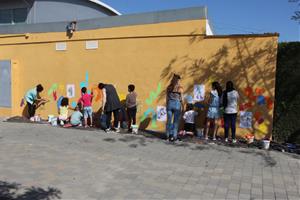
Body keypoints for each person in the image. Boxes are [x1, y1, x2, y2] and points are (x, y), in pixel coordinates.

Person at [166, 74, 183, 142]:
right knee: (176, 122)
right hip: (177, 104)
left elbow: (167, 97)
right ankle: (174, 136)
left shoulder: (169, 87)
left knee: (169, 121)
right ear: (178, 80)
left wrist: (167, 104)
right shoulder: (180, 88)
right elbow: (181, 98)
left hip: (170, 103)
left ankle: (167, 136)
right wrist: (183, 107)